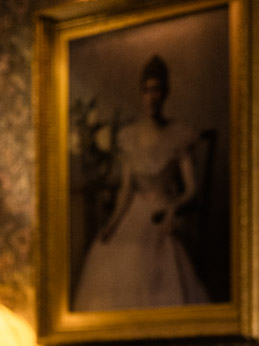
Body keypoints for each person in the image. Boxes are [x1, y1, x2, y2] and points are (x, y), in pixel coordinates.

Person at [72, 55, 208, 311]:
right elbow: (126, 189)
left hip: (163, 212)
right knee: (114, 252)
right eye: (146, 90)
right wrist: (112, 224)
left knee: (156, 255)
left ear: (165, 93)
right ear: (141, 93)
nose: (151, 97)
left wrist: (173, 207)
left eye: (156, 90)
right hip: (134, 211)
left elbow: (192, 188)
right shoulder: (129, 137)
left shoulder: (178, 135)